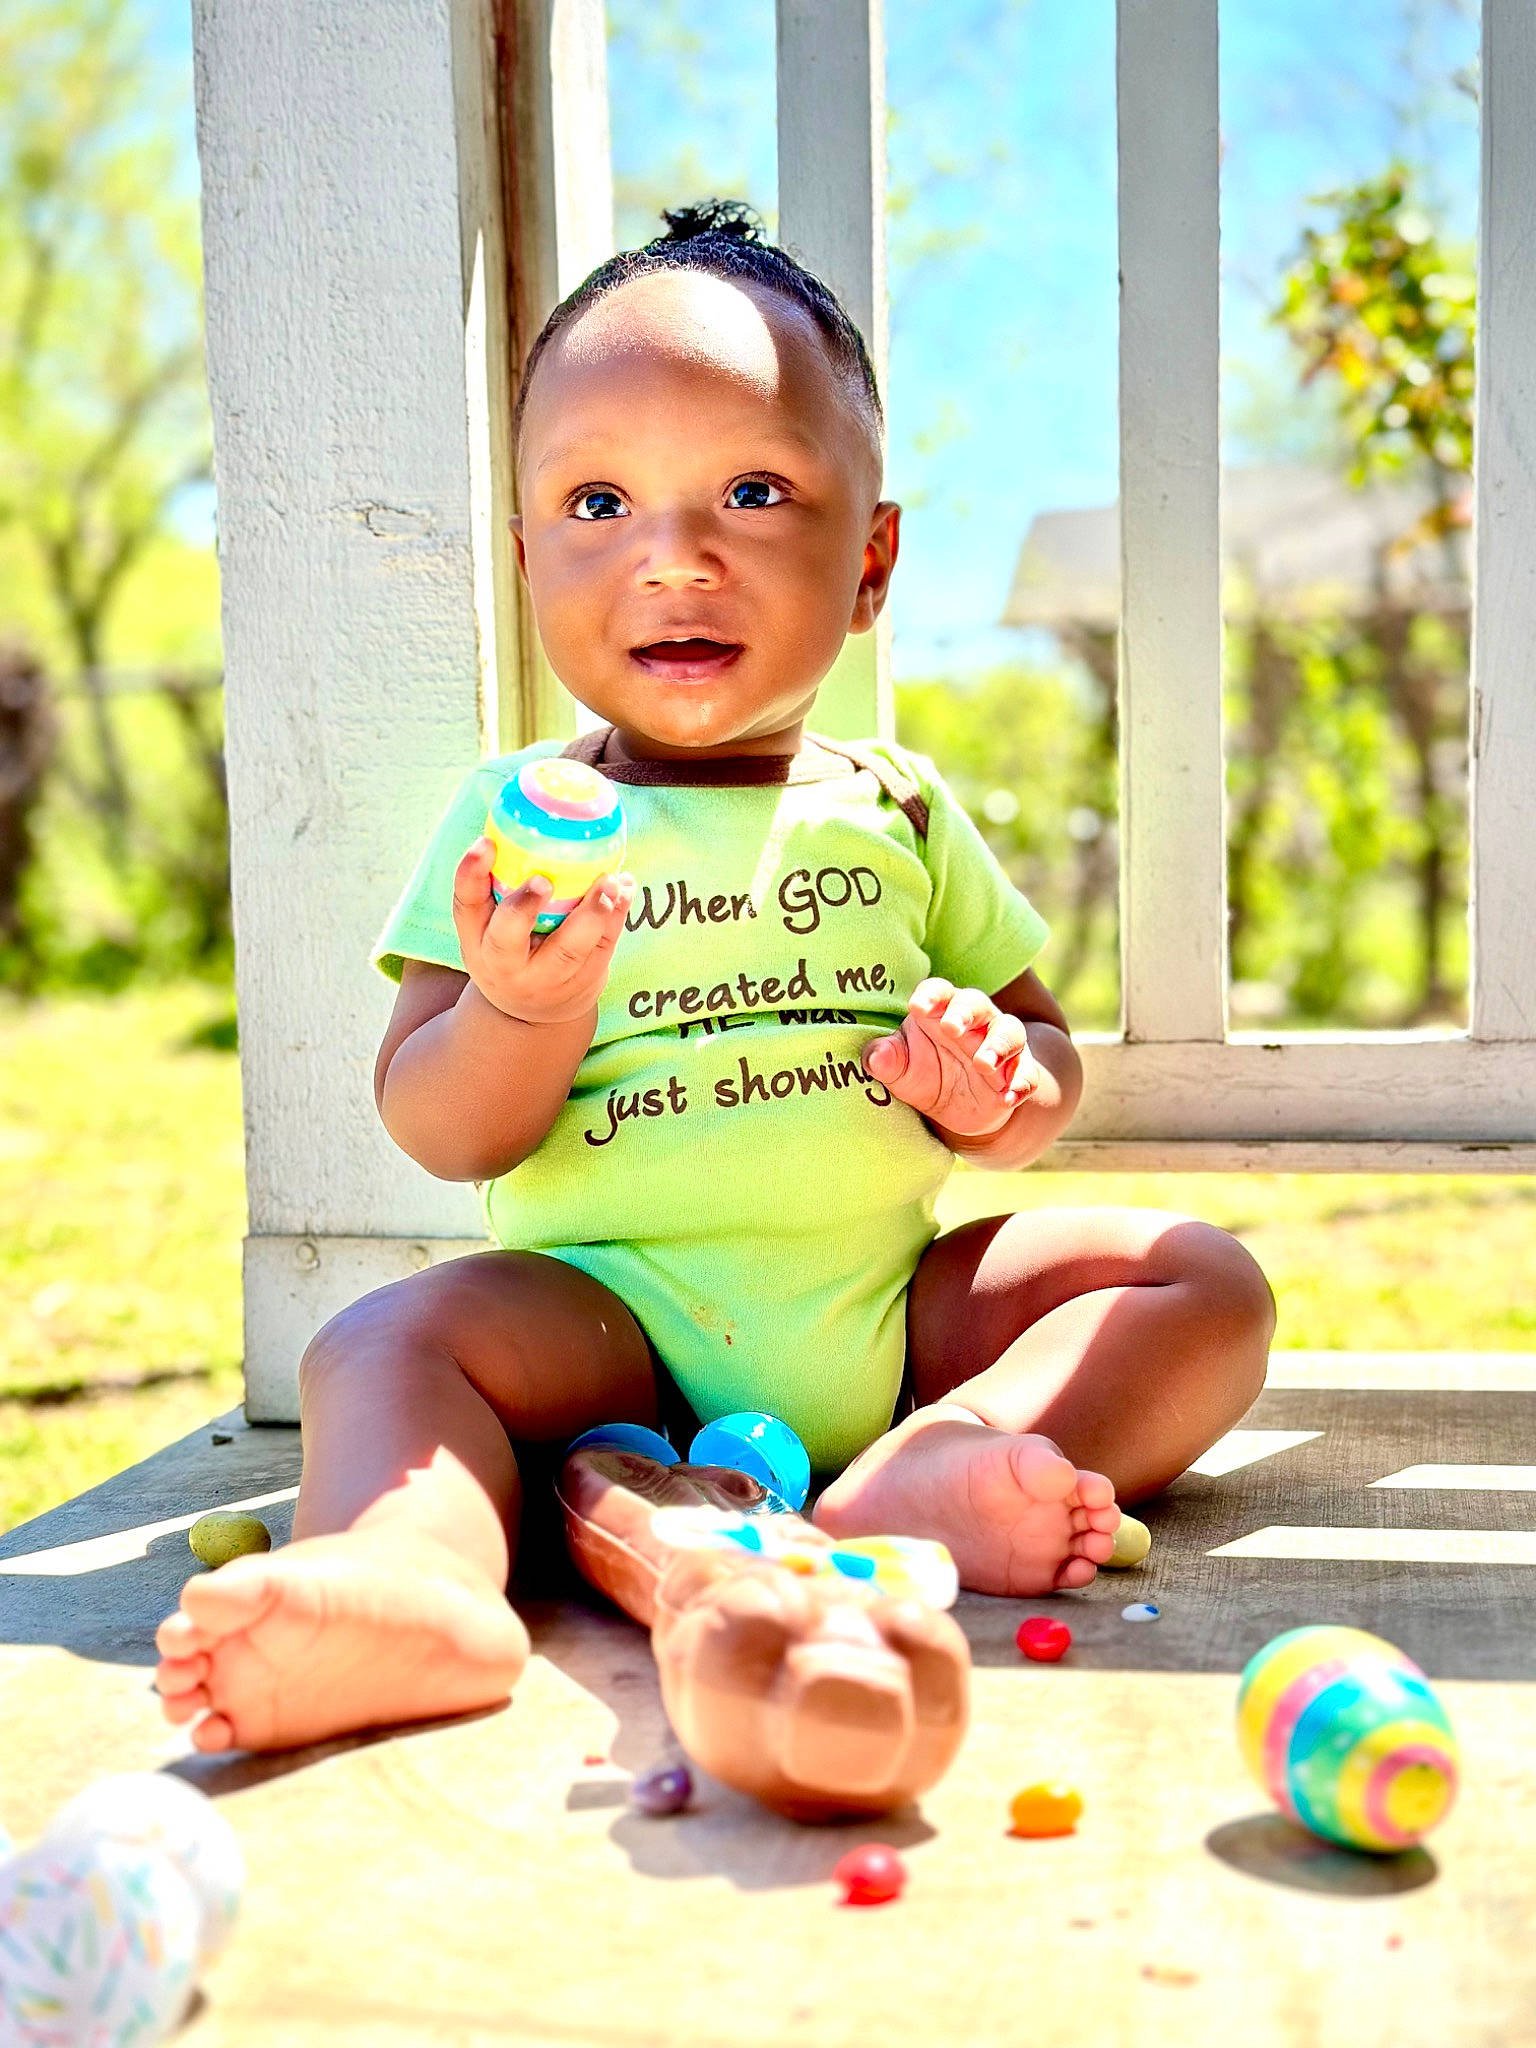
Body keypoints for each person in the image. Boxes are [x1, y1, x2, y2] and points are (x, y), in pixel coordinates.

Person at [154, 200, 1274, 1760]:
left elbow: (1038, 1059)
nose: (674, 558)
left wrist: (1002, 1089)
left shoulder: (894, 807)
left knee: (1201, 1279)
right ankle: (408, 1581)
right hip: (600, 1323)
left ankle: (940, 1461)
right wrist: (522, 1010)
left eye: (753, 491)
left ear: (871, 559)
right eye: (600, 502)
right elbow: (441, 1124)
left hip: (882, 1317)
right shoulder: (513, 826)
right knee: (384, 1342)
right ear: (533, 555)